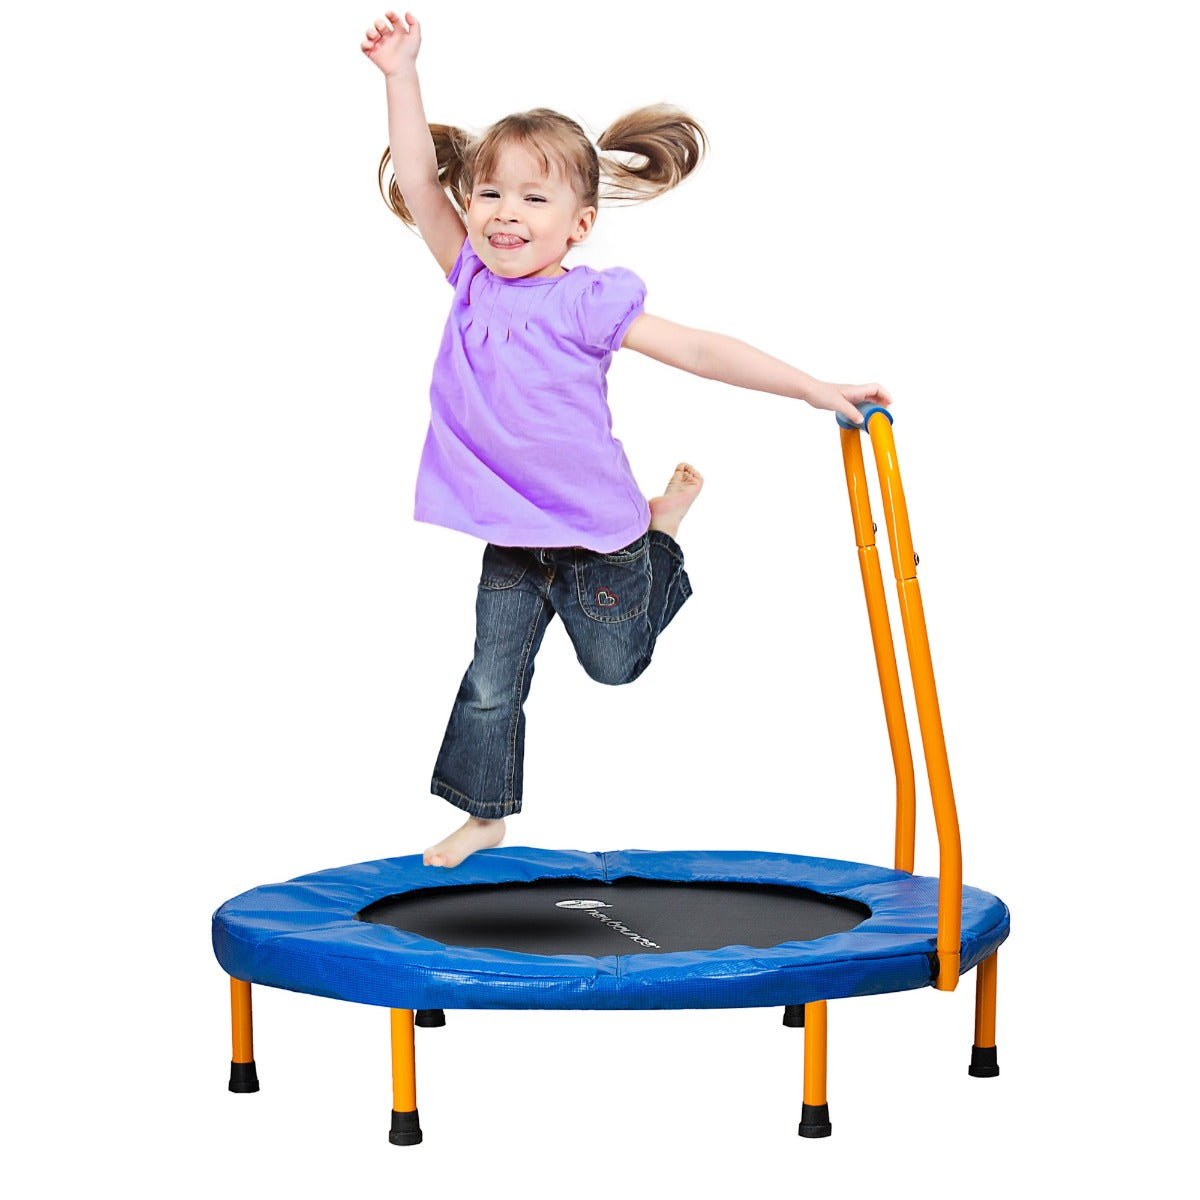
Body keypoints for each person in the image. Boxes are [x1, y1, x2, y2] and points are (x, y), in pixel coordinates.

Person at [362, 11, 890, 867]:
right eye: (492, 192)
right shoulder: (468, 280)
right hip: (513, 536)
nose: (504, 214)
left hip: (599, 540)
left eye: (535, 199)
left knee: (617, 666)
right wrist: (400, 75)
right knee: (490, 681)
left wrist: (811, 388)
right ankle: (486, 812)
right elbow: (422, 182)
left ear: (578, 225)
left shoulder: (587, 301)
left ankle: (662, 540)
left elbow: (698, 348)